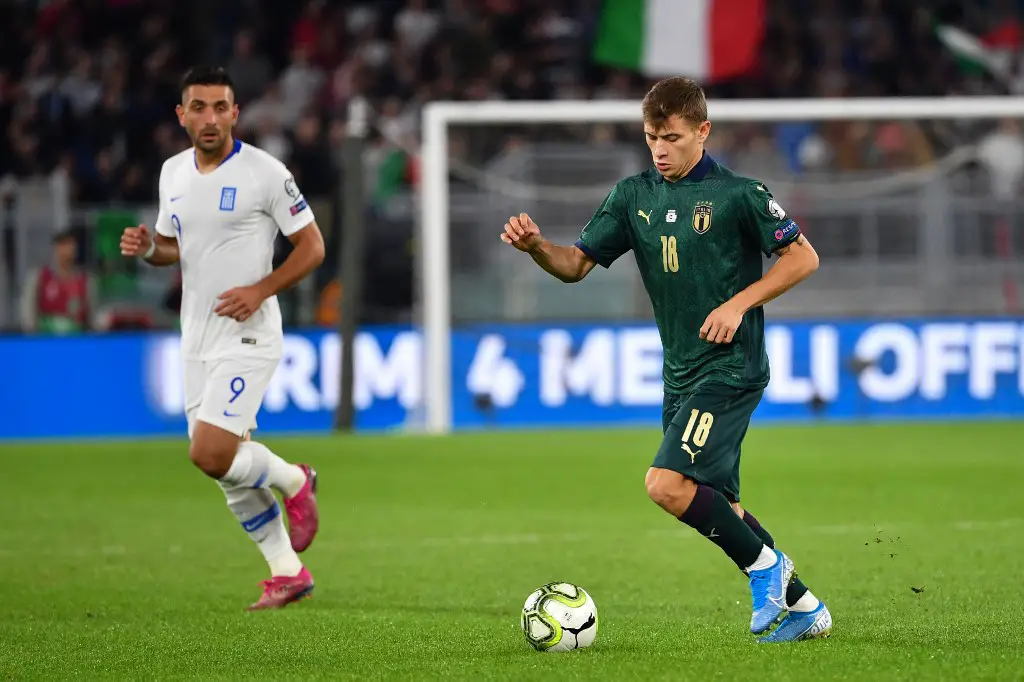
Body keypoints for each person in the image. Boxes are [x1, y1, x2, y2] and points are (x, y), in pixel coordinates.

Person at [500, 77, 831, 642]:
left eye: (672, 138)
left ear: (702, 131)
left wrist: (738, 303)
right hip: (680, 373)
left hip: (731, 367)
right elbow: (575, 265)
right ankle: (805, 610)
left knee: (665, 484)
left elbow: (803, 257)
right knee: (719, 503)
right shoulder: (633, 197)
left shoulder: (740, 194)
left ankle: (769, 570)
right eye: (652, 136)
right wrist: (536, 247)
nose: (659, 149)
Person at [119, 66, 326, 610]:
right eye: (198, 107)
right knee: (225, 468)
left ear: (235, 113)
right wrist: (146, 248)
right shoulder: (171, 174)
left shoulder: (265, 172)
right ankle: (288, 572)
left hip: (249, 335)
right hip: (197, 339)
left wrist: (261, 289)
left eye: (220, 107)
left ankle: (294, 478)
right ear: (181, 115)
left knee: (209, 452)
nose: (209, 118)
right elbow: (172, 247)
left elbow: (312, 247)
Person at [19, 229, 96, 334]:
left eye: (70, 245)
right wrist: (33, 336)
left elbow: (93, 317)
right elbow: (28, 311)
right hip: (46, 340)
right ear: (55, 249)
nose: (66, 250)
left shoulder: (85, 281)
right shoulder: (39, 277)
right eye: (62, 245)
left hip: (76, 341)